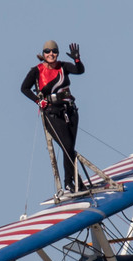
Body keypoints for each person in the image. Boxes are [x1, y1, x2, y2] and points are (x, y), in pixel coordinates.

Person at [21, 40, 85, 191]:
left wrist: (77, 59)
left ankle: (74, 182)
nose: (51, 54)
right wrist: (38, 101)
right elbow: (24, 88)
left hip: (70, 112)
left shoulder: (63, 66)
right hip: (52, 114)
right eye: (48, 52)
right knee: (67, 146)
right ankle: (70, 182)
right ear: (43, 54)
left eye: (54, 51)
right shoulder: (36, 71)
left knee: (69, 148)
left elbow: (79, 70)